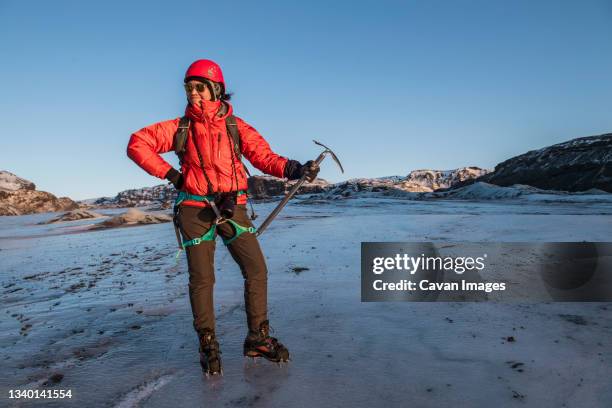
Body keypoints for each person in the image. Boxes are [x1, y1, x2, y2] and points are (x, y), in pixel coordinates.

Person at [127, 59, 319, 375]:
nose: (193, 94)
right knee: (203, 279)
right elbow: (137, 143)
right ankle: (208, 344)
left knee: (256, 269)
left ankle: (258, 339)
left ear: (216, 89)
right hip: (194, 210)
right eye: (189, 88)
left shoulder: (236, 126)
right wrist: (174, 176)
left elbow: (264, 157)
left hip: (233, 208)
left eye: (199, 88)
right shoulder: (180, 128)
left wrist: (296, 168)